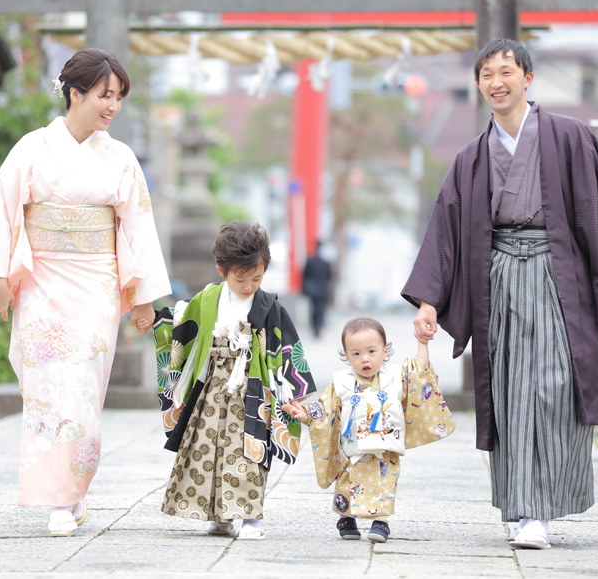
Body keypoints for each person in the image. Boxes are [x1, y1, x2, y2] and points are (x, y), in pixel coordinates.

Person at [401, 39, 598, 550]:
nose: (497, 81)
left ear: (528, 78)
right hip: (499, 280)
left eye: (506, 71)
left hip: (559, 275)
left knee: (558, 387)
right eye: (487, 74)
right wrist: (429, 301)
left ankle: (548, 501)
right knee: (513, 391)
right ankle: (525, 512)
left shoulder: (569, 137)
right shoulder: (472, 157)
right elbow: (446, 232)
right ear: (478, 85)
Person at [0, 48, 171, 537]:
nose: (113, 107)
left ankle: (70, 492)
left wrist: (142, 296)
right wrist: (0, 276)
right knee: (45, 388)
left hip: (97, 284)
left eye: (119, 97)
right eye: (105, 95)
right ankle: (59, 496)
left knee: (82, 387)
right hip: (41, 280)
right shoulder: (31, 149)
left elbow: (138, 227)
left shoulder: (120, 158)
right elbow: (2, 211)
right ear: (75, 93)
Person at [133, 222, 316, 539]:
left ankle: (249, 518)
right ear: (222, 270)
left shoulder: (269, 306)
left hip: (252, 389)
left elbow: (284, 349)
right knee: (208, 449)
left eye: (256, 278)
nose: (248, 286)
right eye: (240, 278)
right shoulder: (207, 300)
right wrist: (155, 320)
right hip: (212, 388)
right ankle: (218, 515)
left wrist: (292, 394)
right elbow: (183, 327)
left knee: (248, 452)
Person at [282, 318, 455, 543]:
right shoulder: (341, 382)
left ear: (385, 351)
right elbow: (326, 409)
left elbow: (419, 374)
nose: (364, 358)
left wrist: (422, 343)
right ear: (346, 355)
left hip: (385, 448)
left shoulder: (396, 377)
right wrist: (306, 414)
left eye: (371, 351)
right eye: (356, 354)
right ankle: (346, 517)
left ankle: (381, 521)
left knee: (384, 482)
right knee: (347, 481)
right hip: (351, 448)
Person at [302, 241, 333, 338]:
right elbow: (329, 276)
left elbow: (305, 275)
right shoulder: (326, 262)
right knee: (321, 309)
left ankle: (314, 327)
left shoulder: (310, 260)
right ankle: (319, 326)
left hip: (312, 290)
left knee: (313, 309)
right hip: (323, 289)